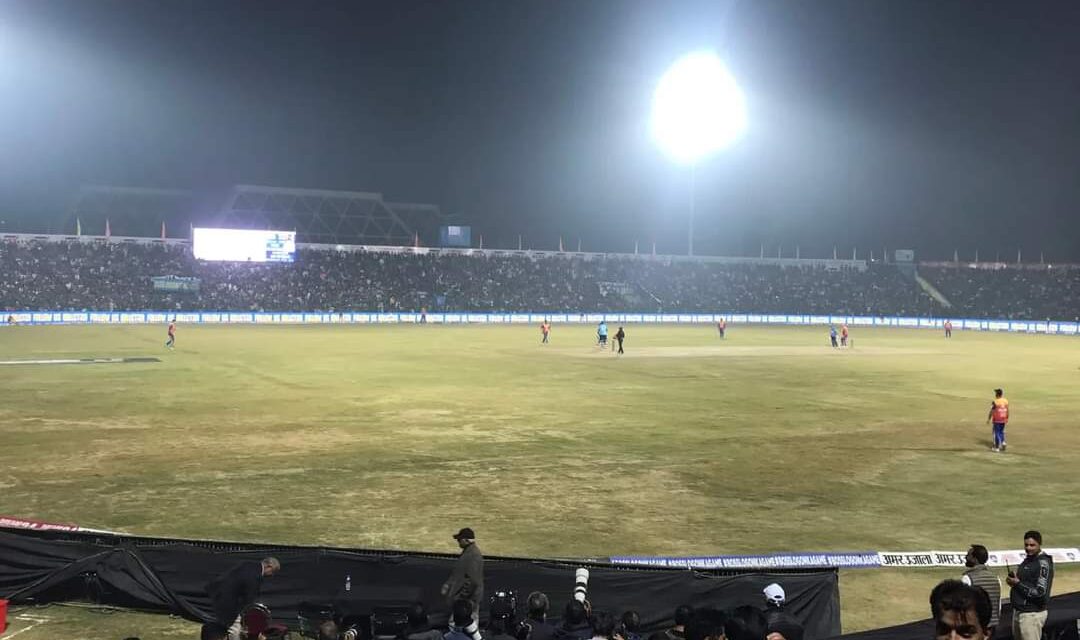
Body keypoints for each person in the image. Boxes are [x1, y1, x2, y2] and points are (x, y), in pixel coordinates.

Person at [204, 557, 281, 640]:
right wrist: (258, 608)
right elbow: (250, 597)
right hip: (228, 601)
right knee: (235, 628)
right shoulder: (256, 575)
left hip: (218, 592)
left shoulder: (249, 564)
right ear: (269, 566)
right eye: (273, 572)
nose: (272, 575)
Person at [1007, 530, 1054, 640]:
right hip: (1020, 611)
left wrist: (1017, 583)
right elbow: (1025, 583)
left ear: (1039, 544)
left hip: (1032, 614)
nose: (1028, 548)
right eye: (1026, 545)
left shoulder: (1043, 564)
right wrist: (1014, 581)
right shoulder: (1028, 560)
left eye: (1032, 545)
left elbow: (1040, 592)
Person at [441, 528, 484, 618]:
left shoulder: (473, 555)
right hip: (464, 602)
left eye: (459, 539)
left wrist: (462, 598)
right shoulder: (468, 553)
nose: (458, 541)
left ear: (466, 540)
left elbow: (473, 581)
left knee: (461, 627)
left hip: (467, 604)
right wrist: (448, 585)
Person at [960, 545, 1001, 635]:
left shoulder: (968, 578)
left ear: (975, 559)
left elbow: (963, 605)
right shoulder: (996, 578)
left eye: (968, 555)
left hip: (975, 627)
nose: (966, 557)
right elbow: (998, 605)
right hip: (992, 626)